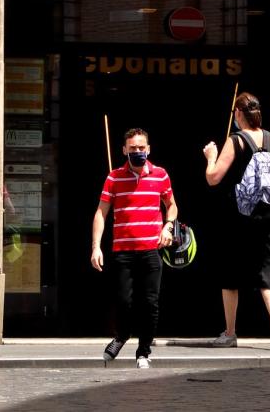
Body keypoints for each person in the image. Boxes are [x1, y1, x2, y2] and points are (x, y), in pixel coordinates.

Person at [203, 92, 270, 350]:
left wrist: (210, 156)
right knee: (267, 274)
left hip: (240, 217)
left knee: (231, 274)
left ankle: (230, 333)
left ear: (238, 113)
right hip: (269, 215)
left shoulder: (236, 140)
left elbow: (213, 178)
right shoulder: (269, 138)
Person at [91, 128, 178, 369]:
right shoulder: (114, 177)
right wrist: (96, 247)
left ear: (148, 149)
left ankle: (143, 352)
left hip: (150, 249)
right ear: (124, 150)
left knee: (150, 302)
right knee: (123, 301)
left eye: (141, 148)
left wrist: (167, 227)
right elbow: (101, 212)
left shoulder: (160, 175)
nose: (137, 152)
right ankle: (121, 336)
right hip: (123, 251)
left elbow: (172, 206)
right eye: (133, 149)